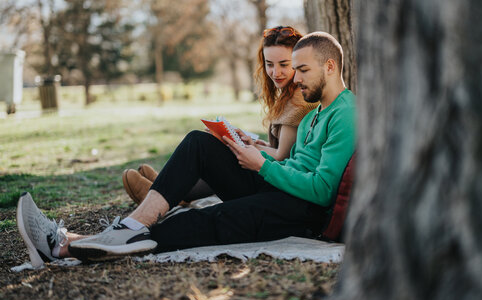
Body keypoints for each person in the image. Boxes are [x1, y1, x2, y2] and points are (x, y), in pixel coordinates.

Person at [16, 31, 356, 266]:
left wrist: (263, 166)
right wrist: (255, 156)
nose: (295, 79)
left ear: (329, 66)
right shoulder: (318, 112)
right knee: (199, 142)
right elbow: (295, 165)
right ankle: (130, 227)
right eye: (294, 70)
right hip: (280, 191)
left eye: (302, 70)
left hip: (302, 213)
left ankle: (67, 246)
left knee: (205, 222)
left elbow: (323, 191)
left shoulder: (346, 113)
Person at [121, 26, 317, 205]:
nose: (276, 72)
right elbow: (284, 150)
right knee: (223, 147)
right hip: (273, 179)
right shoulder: (290, 95)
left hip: (275, 189)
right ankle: (171, 190)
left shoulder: (299, 101)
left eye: (284, 64)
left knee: (213, 151)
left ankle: (167, 192)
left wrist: (245, 147)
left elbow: (281, 156)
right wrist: (251, 143)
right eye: (269, 64)